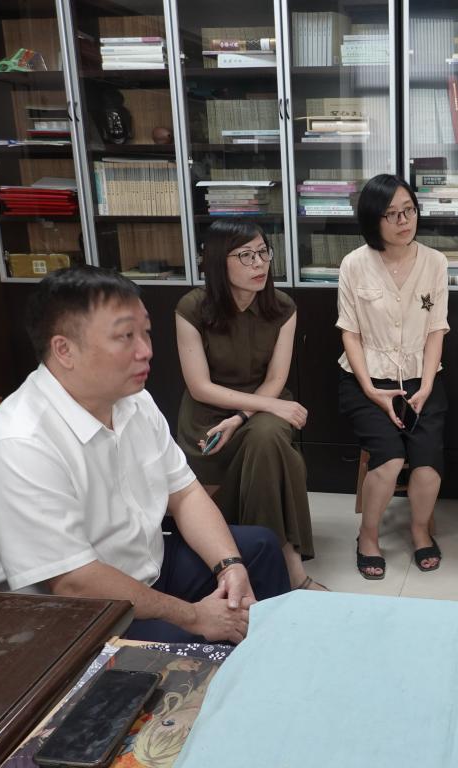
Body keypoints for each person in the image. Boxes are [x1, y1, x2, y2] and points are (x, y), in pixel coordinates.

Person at [0, 265, 290, 643]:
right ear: (64, 349)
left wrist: (229, 566)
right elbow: (74, 582)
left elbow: (186, 494)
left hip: (137, 565)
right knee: (186, 644)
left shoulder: (134, 401)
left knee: (257, 551)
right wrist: (194, 617)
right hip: (50, 617)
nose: (146, 351)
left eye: (146, 332)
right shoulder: (19, 443)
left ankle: (270, 659)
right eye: (126, 336)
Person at [174, 219, 324, 592]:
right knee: (277, 451)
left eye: (262, 253)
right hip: (209, 417)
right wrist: (239, 415)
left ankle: (282, 569)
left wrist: (242, 417)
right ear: (217, 261)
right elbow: (200, 387)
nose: (259, 264)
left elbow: (275, 379)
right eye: (245, 255)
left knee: (267, 437)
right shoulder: (192, 308)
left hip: (263, 407)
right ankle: (289, 569)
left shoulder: (283, 307)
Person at [337, 174, 449, 579]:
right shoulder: (354, 264)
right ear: (373, 219)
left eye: (409, 210)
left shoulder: (435, 263)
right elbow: (349, 332)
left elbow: (436, 329)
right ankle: (368, 535)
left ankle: (419, 530)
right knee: (389, 459)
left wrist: (428, 385)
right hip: (367, 379)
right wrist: (370, 389)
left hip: (422, 379)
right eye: (392, 214)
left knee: (427, 463)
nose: (404, 221)